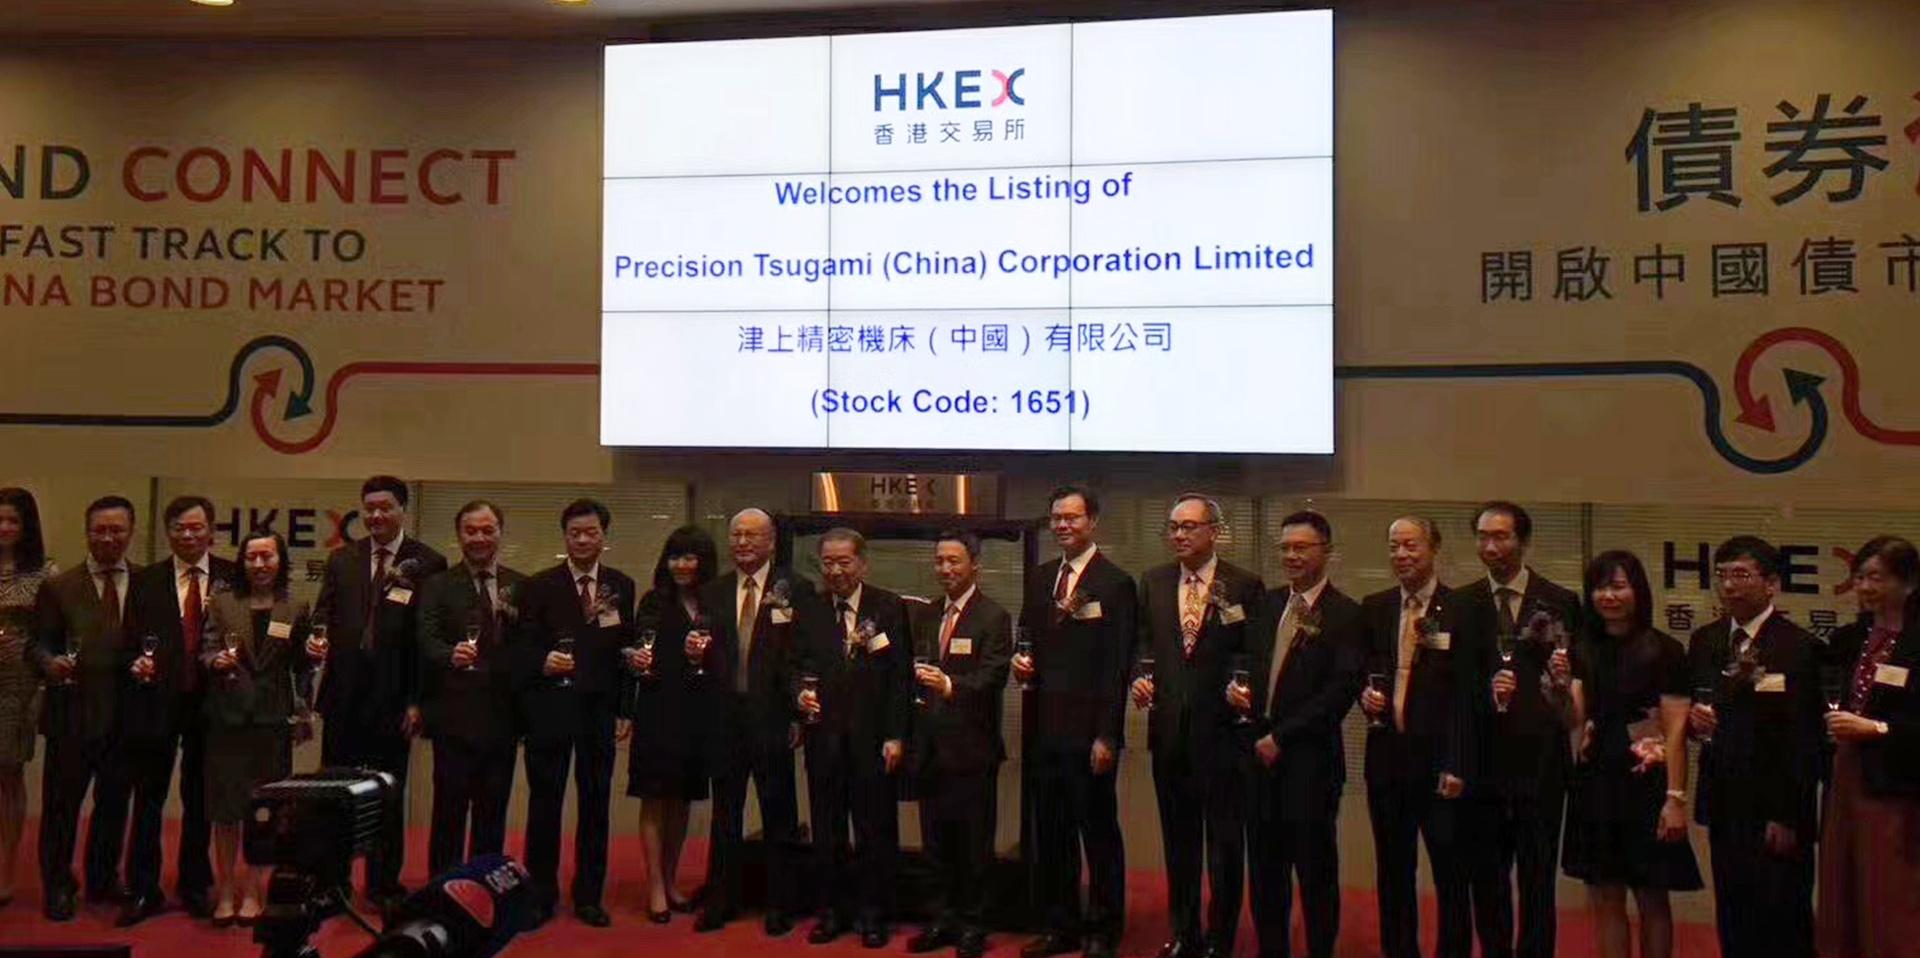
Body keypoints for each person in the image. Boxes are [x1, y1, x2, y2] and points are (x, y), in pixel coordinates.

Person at [1131, 494, 1264, 958]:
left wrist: (1240, 685)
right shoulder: (1154, 582)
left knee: (1224, 844)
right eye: (1173, 527)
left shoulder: (1244, 585)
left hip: (1223, 735)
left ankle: (1220, 939)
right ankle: (1184, 933)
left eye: (1189, 526)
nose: (1179, 535)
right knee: (1178, 841)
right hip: (1169, 733)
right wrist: (1139, 676)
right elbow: (1143, 644)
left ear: (1214, 531)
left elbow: (1252, 651)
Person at [309, 474, 447, 910]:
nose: (376, 515)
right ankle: (334, 884)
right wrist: (316, 639)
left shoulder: (428, 562)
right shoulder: (342, 559)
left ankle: (384, 885)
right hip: (344, 696)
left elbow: (429, 640)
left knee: (388, 794)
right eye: (369, 508)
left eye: (385, 507)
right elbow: (323, 614)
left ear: (403, 509)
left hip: (394, 698)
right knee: (336, 794)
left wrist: (419, 701)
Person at [1231, 510, 1363, 958]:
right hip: (1257, 758)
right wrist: (1237, 689)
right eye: (1285, 547)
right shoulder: (1267, 604)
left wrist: (1282, 738)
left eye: (1301, 547)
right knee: (1265, 873)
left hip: (1310, 763)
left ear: (1326, 551)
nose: (1291, 555)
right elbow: (1247, 663)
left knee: (1315, 873)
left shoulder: (1345, 614)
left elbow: (1339, 692)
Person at [1015, 484, 1136, 958]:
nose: (1063, 525)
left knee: (1098, 834)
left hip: (1090, 735)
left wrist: (1108, 734)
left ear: (1093, 521)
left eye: (1072, 517)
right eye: (1056, 518)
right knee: (1052, 833)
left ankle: (1104, 929)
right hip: (1044, 729)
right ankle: (1060, 926)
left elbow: (1118, 667)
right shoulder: (1041, 577)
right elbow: (1027, 636)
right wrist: (1021, 661)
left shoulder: (1115, 583)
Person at [1687, 536, 1822, 958]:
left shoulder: (1800, 647)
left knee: (1783, 915)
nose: (1729, 585)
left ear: (1772, 584)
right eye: (1722, 575)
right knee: (1733, 911)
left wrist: (1788, 814)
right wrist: (1694, 723)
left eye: (1741, 575)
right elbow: (1693, 712)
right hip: (1724, 801)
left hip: (1775, 808)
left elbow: (1806, 740)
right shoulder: (1705, 640)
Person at [1560, 551, 1699, 958]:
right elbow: (1572, 718)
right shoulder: (1581, 648)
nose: (1609, 596)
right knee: (1605, 896)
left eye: (1618, 586)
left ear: (1638, 590)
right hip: (1596, 780)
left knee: (1652, 896)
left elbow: (1676, 732)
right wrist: (1557, 688)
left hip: (1647, 780)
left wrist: (1675, 799)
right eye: (1600, 588)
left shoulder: (1666, 649)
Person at [1462, 502, 1581, 958]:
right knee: (1486, 879)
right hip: (1483, 764)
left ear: (1524, 541)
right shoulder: (1463, 603)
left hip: (1542, 763)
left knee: (1537, 880)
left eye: (1501, 536)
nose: (1490, 546)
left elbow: (1574, 683)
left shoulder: (1559, 601)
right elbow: (1453, 687)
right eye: (1483, 537)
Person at [1357, 516, 1476, 958]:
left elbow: (1467, 697)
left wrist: (1458, 763)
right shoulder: (1376, 607)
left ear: (1433, 548)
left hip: (1441, 767)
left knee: (1451, 874)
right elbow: (1364, 670)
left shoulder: (1461, 609)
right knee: (1393, 872)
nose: (1401, 555)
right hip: (1388, 760)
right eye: (1394, 547)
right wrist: (1365, 696)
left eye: (1411, 545)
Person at [512, 498, 634, 929]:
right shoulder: (538, 586)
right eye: (575, 533)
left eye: (590, 532)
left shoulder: (620, 585)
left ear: (604, 536)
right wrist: (541, 661)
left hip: (598, 712)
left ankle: (589, 896)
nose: (582, 540)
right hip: (549, 710)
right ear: (564, 537)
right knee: (544, 805)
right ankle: (541, 895)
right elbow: (520, 646)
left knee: (596, 805)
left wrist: (625, 709)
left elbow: (625, 651)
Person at [695, 507, 815, 936]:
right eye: (736, 535)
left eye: (752, 535)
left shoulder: (796, 588)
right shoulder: (714, 591)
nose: (743, 543)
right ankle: (721, 899)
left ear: (771, 542)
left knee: (778, 809)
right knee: (725, 812)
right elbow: (705, 651)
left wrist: (799, 712)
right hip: (725, 717)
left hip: (773, 715)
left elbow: (803, 654)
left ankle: (781, 903)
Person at [119, 494, 237, 925]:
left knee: (199, 797)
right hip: (156, 702)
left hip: (211, 703)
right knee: (148, 798)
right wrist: (136, 662)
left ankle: (194, 884)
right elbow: (129, 640)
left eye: (196, 527)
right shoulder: (145, 580)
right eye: (179, 528)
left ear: (212, 531)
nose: (188, 535)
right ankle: (143, 888)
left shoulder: (230, 577)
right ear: (168, 533)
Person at [794, 527, 911, 949]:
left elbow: (900, 678)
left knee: (874, 831)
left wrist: (896, 735)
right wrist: (798, 694)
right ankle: (831, 913)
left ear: (862, 563)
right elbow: (793, 665)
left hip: (872, 740)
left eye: (844, 562)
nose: (836, 571)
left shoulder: (888, 606)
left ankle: (874, 914)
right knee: (827, 831)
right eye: (828, 563)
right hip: (824, 738)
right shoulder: (809, 608)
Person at [28, 494, 137, 922]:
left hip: (124, 717)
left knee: (114, 805)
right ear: (87, 532)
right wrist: (49, 663)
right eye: (99, 530)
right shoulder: (59, 587)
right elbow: (37, 645)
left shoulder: (146, 583)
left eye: (116, 530)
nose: (108, 538)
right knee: (61, 809)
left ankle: (102, 878)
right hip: (71, 716)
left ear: (131, 532)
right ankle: (58, 885)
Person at [200, 529, 313, 927]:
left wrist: (304, 710)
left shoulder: (295, 606)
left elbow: (303, 667)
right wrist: (215, 661)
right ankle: (225, 889)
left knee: (265, 812)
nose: (260, 564)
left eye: (268, 556)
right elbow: (206, 650)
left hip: (272, 722)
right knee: (225, 810)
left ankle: (253, 889)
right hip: (227, 719)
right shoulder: (222, 602)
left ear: (280, 561)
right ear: (242, 562)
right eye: (252, 557)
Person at [906, 530, 1011, 958]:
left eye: (954, 561)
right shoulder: (927, 614)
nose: (945, 569)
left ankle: (973, 925)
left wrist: (949, 684)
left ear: (974, 565)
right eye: (939, 561)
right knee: (935, 843)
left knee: (974, 846)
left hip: (972, 750)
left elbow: (992, 677)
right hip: (929, 748)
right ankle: (941, 919)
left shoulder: (993, 616)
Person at [1816, 536, 1920, 958]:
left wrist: (1876, 727)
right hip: (1846, 772)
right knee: (1842, 883)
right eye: (1859, 577)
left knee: (1890, 891)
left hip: (1898, 784)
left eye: (1875, 577)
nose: (1863, 587)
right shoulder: (1848, 638)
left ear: (1907, 582)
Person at [417, 500, 525, 878]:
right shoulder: (438, 585)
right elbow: (425, 638)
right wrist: (450, 654)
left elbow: (529, 646)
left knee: (492, 812)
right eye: (471, 530)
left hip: (503, 718)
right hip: (453, 718)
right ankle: (443, 890)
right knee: (448, 811)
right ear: (459, 535)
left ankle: (484, 888)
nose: (479, 538)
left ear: (500, 533)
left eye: (487, 530)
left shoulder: (521, 585)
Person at [620, 524, 716, 922]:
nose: (681, 565)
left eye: (689, 557)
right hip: (658, 709)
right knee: (655, 797)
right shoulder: (654, 602)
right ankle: (656, 886)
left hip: (699, 712)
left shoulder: (715, 602)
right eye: (675, 556)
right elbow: (635, 651)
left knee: (682, 799)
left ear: (703, 561)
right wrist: (633, 659)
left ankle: (673, 880)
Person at [0, 487, 51, 910]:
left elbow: (51, 637)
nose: (4, 527)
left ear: (26, 526)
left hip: (17, 685)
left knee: (8, 776)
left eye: (12, 520)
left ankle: (6, 869)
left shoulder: (44, 574)